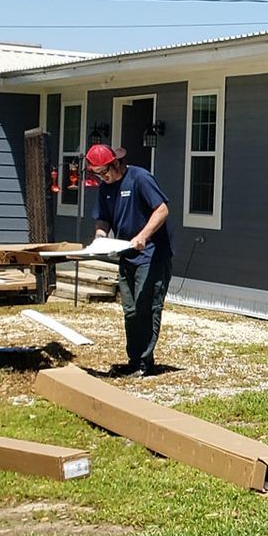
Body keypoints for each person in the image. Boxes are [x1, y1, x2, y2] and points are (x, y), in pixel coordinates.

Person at [85, 143, 173, 376]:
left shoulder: (140, 178)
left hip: (152, 254)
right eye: (96, 174)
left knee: (147, 307)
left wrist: (143, 236)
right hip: (127, 255)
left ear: (116, 163)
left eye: (104, 172)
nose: (102, 178)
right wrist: (100, 236)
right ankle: (134, 361)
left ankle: (144, 364)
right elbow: (103, 218)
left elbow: (162, 209)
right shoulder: (105, 189)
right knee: (131, 310)